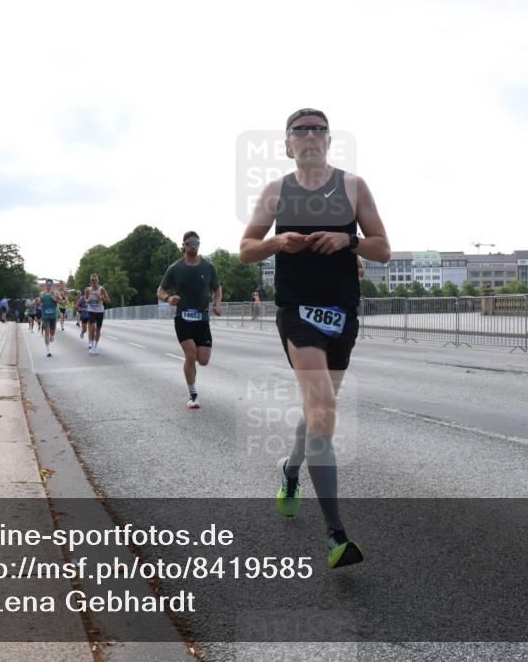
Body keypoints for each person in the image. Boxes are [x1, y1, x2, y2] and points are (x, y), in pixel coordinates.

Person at [239, 108, 390, 569]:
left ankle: (290, 469)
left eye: (317, 129)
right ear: (287, 144)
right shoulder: (276, 192)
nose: (309, 136)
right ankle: (336, 536)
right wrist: (276, 243)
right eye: (300, 131)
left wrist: (348, 242)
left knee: (316, 413)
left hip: (342, 313)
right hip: (297, 313)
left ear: (328, 140)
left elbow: (383, 248)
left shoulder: (353, 187)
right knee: (323, 408)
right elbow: (245, 250)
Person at [157, 231, 221, 409]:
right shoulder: (175, 268)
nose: (194, 245)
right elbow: (160, 290)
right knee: (190, 354)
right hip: (182, 317)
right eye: (191, 243)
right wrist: (168, 298)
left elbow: (217, 289)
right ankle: (193, 395)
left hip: (202, 318)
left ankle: (191, 368)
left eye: (197, 243)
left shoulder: (208, 267)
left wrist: (216, 304)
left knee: (203, 360)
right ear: (184, 246)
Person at [84, 274, 111, 355]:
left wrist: (101, 298)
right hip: (91, 311)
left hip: (100, 311)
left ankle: (96, 345)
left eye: (95, 280)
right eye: (92, 280)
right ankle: (92, 345)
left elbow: (108, 300)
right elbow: (86, 299)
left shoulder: (101, 289)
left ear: (98, 280)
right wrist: (88, 300)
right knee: (92, 329)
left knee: (98, 330)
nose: (94, 281)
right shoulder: (88, 290)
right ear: (90, 281)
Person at [36, 279, 62, 357]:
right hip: (45, 315)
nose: (49, 285)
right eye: (48, 284)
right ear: (46, 284)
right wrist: (40, 300)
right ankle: (48, 350)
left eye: (50, 284)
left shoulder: (56, 293)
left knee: (52, 332)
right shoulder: (42, 293)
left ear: (52, 285)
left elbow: (62, 301)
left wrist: (55, 299)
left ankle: (52, 336)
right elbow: (39, 304)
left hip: (53, 315)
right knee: (47, 333)